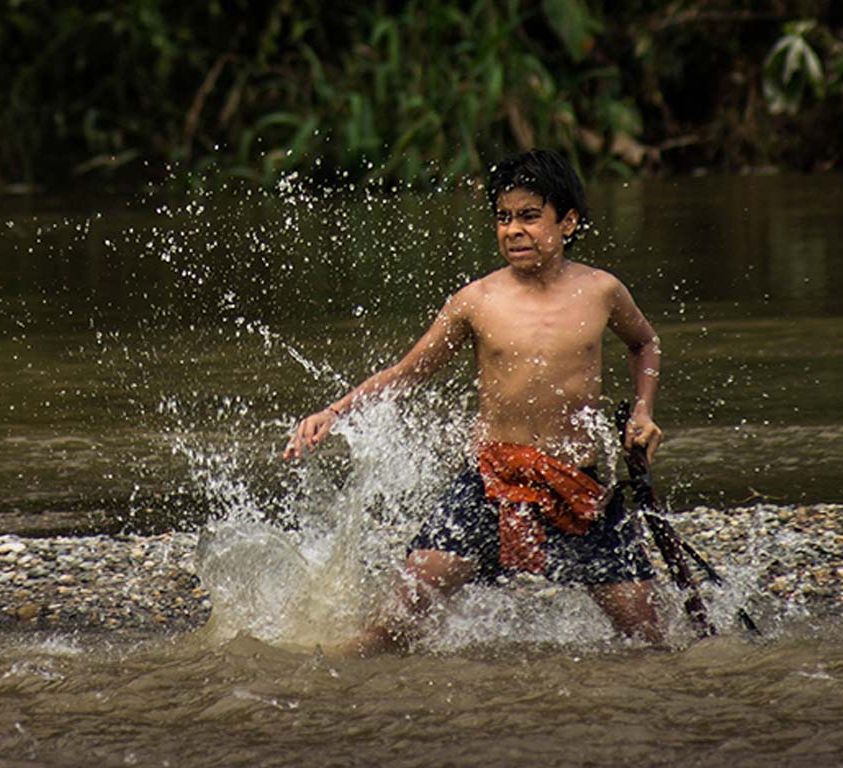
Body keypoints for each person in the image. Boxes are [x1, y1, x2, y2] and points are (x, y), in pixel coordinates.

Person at [281, 149, 666, 654]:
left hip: (578, 487)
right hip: (492, 486)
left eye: (530, 216)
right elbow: (407, 373)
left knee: (651, 640)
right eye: (503, 218)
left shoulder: (601, 291)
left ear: (567, 221)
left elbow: (645, 343)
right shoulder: (476, 301)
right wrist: (334, 412)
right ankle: (323, 673)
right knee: (390, 631)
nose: (513, 230)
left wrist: (643, 410)